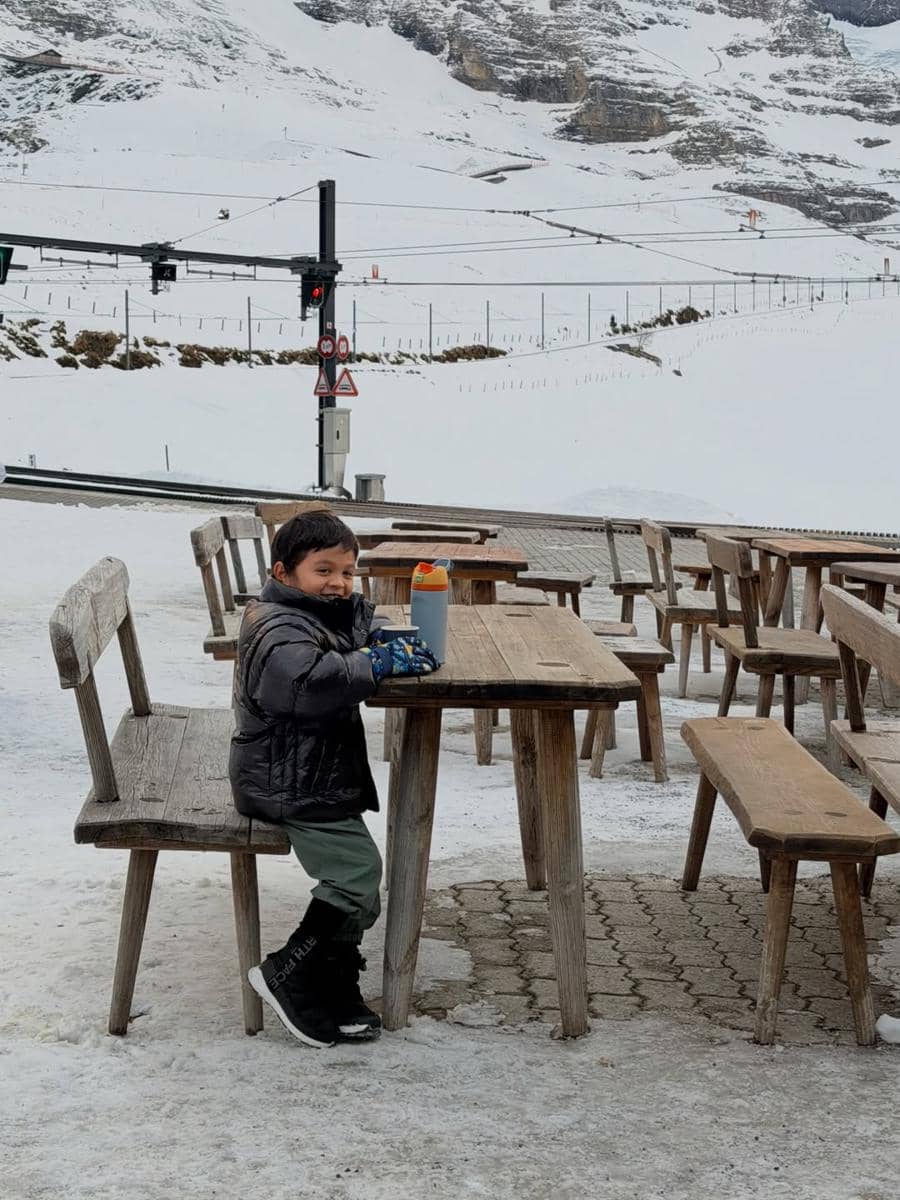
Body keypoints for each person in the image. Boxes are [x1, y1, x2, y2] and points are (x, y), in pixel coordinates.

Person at [229, 510, 438, 1048]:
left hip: (306, 768)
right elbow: (306, 683)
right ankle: (288, 972)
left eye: (347, 571)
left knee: (361, 884)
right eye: (324, 570)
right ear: (283, 571)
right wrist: (375, 663)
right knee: (357, 874)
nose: (340, 583)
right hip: (287, 780)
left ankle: (330, 978)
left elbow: (363, 619)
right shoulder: (277, 626)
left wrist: (388, 637)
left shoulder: (322, 607)